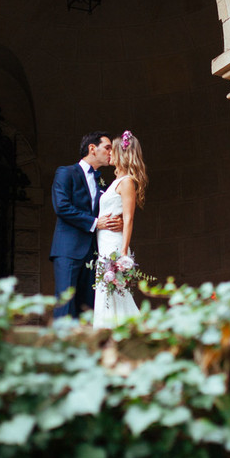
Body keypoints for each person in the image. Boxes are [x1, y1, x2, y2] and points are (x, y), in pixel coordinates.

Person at [50, 131, 123, 323]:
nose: (110, 152)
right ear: (92, 148)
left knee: (89, 307)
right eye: (107, 148)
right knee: (65, 304)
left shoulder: (103, 182)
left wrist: (118, 221)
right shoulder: (66, 172)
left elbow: (107, 209)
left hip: (93, 254)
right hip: (68, 250)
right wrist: (94, 223)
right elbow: (62, 206)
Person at [93, 130, 148, 328]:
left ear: (121, 154)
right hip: (104, 244)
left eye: (112, 150)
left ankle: (130, 331)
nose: (109, 154)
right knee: (107, 293)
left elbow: (129, 216)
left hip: (114, 247)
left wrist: (124, 252)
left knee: (115, 292)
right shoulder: (115, 182)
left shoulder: (127, 182)